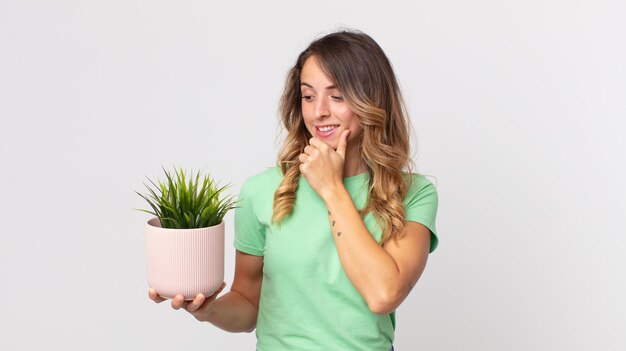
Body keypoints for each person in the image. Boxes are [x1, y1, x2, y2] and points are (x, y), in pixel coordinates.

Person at [149, 28, 439, 351]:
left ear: (372, 99)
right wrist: (208, 310)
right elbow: (248, 303)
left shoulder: (413, 194)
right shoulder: (261, 192)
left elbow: (384, 294)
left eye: (338, 95)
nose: (319, 112)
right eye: (309, 95)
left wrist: (331, 188)